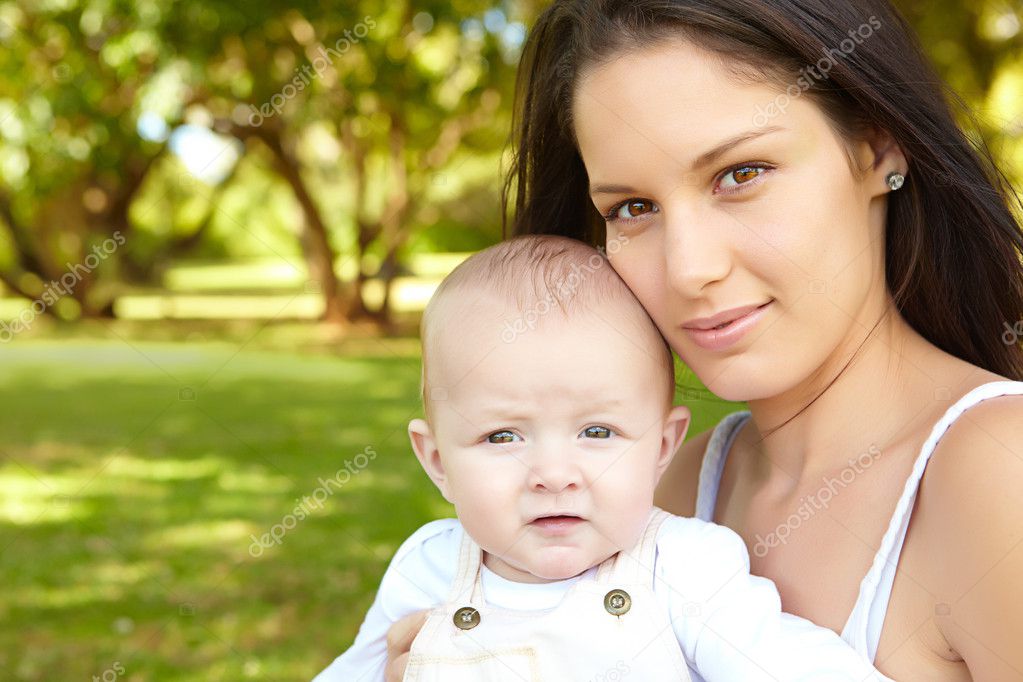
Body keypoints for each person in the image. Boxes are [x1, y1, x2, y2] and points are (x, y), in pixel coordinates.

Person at [383, 1, 1023, 680]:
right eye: (632, 209)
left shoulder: (994, 472)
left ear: (875, 147)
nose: (689, 268)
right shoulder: (665, 488)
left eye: (741, 174)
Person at [314, 235, 892, 681]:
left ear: (662, 447)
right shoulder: (429, 571)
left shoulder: (683, 567)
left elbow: (791, 667)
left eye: (597, 431)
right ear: (437, 461)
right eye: (502, 438)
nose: (555, 476)